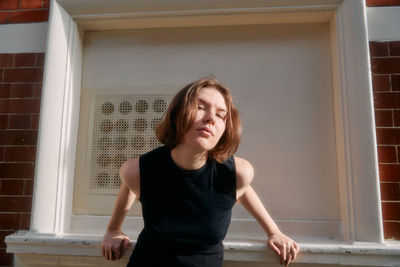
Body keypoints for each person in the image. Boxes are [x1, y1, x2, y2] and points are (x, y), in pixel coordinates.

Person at [101, 77, 299, 266]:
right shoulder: (138, 170)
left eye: (221, 115)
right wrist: (113, 229)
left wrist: (273, 231)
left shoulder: (236, 174)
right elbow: (131, 184)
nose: (211, 118)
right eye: (200, 107)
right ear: (177, 114)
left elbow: (242, 189)